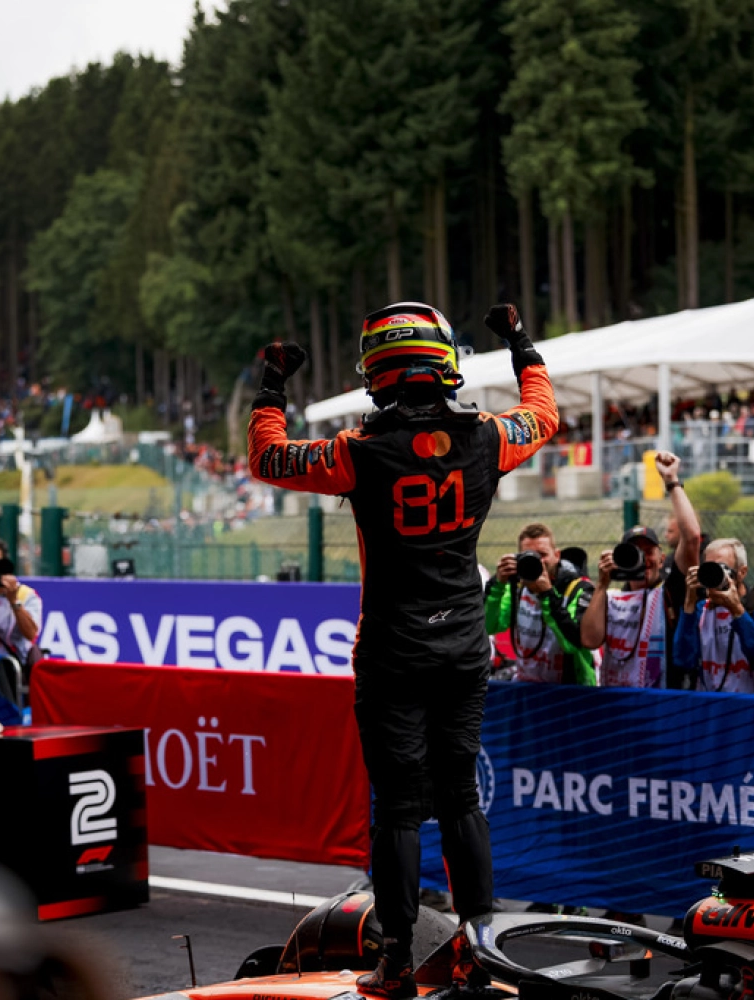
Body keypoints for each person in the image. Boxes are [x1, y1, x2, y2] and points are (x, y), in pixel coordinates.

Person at [247, 302, 557, 998]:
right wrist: (518, 342)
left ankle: (393, 960)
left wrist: (272, 385)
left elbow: (267, 456)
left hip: (391, 649)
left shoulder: (357, 451)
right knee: (461, 800)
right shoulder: (488, 438)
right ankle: (482, 951)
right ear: (447, 362)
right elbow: (544, 412)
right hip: (465, 645)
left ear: (377, 374)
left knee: (397, 808)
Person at [579, 453, 700, 688]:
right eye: (634, 552)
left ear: (662, 557)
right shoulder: (611, 597)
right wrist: (602, 584)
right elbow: (590, 639)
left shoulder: (670, 591)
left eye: (649, 551)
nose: (643, 558)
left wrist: (671, 481)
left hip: (662, 700)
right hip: (618, 703)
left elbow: (692, 537)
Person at [674, 538, 754, 694]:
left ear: (741, 572)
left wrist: (737, 611)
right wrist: (689, 605)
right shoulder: (702, 609)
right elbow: (683, 661)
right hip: (710, 708)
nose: (715, 575)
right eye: (709, 568)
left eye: (721, 568)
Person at [485, 524, 595, 685]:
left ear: (557, 555)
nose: (538, 562)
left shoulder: (578, 589)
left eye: (543, 555)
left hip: (571, 690)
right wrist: (498, 584)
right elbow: (489, 626)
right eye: (530, 556)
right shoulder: (517, 587)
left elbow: (573, 643)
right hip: (528, 686)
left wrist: (547, 594)